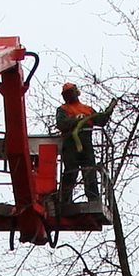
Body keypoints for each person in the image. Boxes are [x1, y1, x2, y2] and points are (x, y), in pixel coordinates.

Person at [54, 81, 114, 211]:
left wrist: (109, 111)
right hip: (70, 144)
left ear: (76, 93)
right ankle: (64, 200)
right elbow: (61, 124)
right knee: (71, 171)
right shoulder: (63, 110)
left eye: (71, 93)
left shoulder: (88, 110)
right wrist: (76, 120)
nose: (69, 95)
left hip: (86, 143)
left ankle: (93, 199)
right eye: (67, 94)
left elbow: (100, 120)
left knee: (89, 171)